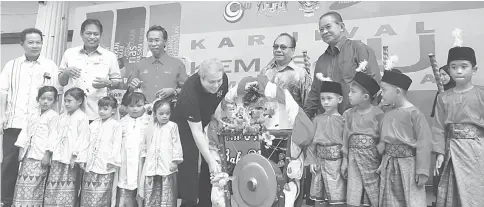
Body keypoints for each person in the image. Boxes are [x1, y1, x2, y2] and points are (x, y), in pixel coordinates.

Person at [0, 28, 59, 207]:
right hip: (15, 121)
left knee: (38, 163)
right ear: (22, 44)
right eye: (30, 42)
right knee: (9, 161)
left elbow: (56, 94)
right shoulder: (11, 65)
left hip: (40, 124)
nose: (35, 46)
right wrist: (2, 116)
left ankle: (35, 200)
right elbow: (3, 91)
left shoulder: (50, 66)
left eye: (38, 42)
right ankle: (7, 200)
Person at [432, 32, 484, 207]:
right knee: (452, 192)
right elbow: (438, 127)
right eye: (453, 67)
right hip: (452, 149)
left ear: (474, 69)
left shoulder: (481, 93)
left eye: (464, 66)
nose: (458, 71)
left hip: (477, 151)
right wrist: (439, 153)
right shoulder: (443, 97)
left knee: (475, 189)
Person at [171, 58, 229, 207]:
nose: (216, 85)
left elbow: (222, 103)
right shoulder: (190, 91)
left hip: (207, 121)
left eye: (218, 81)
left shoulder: (223, 80)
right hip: (186, 124)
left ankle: (206, 202)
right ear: (201, 78)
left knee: (210, 163)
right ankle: (188, 202)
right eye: (211, 82)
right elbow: (196, 132)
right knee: (189, 162)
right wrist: (210, 160)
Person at [304, 11, 381, 117]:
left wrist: (359, 114)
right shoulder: (321, 60)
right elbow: (315, 92)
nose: (324, 32)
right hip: (330, 123)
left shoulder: (358, 49)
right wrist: (304, 118)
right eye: (321, 29)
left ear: (341, 27)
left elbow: (373, 83)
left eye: (328, 27)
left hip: (358, 121)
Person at [377, 66, 432, 207]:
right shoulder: (386, 111)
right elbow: (383, 138)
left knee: (412, 198)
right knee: (390, 200)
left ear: (397, 91)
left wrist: (422, 171)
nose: (381, 93)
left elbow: (424, 143)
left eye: (384, 90)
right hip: (389, 163)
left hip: (409, 164)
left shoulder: (415, 114)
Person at [58, 19, 121, 122]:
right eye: (88, 33)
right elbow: (61, 81)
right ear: (81, 34)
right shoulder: (69, 53)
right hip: (72, 111)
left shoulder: (110, 56)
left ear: (100, 35)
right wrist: (66, 72)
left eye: (96, 34)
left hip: (97, 112)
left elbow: (117, 83)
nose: (92, 37)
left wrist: (108, 83)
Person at [341, 70, 384, 207]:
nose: (349, 95)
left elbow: (383, 140)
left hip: (372, 158)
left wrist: (383, 162)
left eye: (353, 92)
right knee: (354, 188)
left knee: (373, 190)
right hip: (353, 158)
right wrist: (344, 160)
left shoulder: (378, 114)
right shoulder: (348, 114)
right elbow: (345, 139)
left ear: (365, 96)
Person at [11, 86, 59, 206]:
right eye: (43, 98)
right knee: (22, 182)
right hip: (28, 154)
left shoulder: (53, 116)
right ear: (38, 98)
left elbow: (53, 136)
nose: (45, 101)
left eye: (49, 99)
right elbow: (25, 132)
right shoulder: (33, 114)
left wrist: (47, 154)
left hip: (40, 156)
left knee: (36, 184)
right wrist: (21, 150)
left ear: (55, 101)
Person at [44, 87, 90, 207]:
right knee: (53, 186)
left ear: (79, 101)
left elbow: (83, 138)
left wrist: (75, 155)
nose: (66, 103)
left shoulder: (82, 117)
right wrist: (49, 151)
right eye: (65, 101)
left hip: (70, 159)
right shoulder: (62, 117)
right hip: (57, 157)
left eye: (69, 101)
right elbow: (54, 134)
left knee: (68, 186)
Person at [305, 78, 346, 207]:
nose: (325, 102)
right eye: (322, 99)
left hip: (336, 164)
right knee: (319, 196)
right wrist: (311, 161)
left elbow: (346, 143)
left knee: (337, 195)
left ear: (339, 99)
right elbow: (312, 143)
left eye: (329, 98)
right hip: (319, 162)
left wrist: (345, 161)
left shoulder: (344, 120)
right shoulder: (317, 119)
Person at [77, 95, 122, 207]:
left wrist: (113, 160)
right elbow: (85, 142)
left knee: (102, 196)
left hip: (105, 165)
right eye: (100, 108)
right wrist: (82, 158)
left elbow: (117, 144)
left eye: (105, 109)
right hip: (91, 165)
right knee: (87, 195)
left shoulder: (116, 126)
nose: (102, 111)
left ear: (113, 110)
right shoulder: (93, 124)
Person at [138, 98, 183, 207]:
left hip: (167, 165)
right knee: (152, 192)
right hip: (151, 164)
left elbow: (176, 143)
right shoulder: (151, 127)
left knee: (167, 194)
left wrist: (175, 161)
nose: (165, 116)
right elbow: (145, 142)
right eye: (161, 113)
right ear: (155, 114)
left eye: (167, 113)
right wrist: (144, 157)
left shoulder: (172, 126)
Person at [128, 25, 188, 102]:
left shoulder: (177, 64)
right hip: (145, 110)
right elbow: (130, 90)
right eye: (150, 40)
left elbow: (187, 89)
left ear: (165, 41)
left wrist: (174, 91)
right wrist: (132, 87)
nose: (153, 44)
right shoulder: (141, 64)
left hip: (168, 110)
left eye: (157, 40)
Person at [117, 92, 151, 207]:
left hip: (143, 159)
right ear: (126, 107)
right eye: (131, 106)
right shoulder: (122, 122)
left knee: (142, 184)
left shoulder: (149, 121)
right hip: (126, 159)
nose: (135, 109)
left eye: (138, 106)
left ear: (145, 105)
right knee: (126, 183)